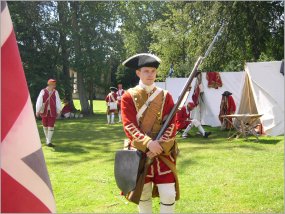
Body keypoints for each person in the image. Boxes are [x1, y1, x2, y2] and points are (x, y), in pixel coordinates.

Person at [121, 53, 179, 213]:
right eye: (146, 71)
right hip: (140, 153)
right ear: (138, 73)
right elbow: (129, 125)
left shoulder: (165, 96)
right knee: (143, 193)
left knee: (168, 194)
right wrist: (148, 144)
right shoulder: (128, 96)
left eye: (153, 71)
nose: (150, 74)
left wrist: (158, 145)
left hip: (162, 152)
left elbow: (172, 124)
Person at [36, 79, 62, 147]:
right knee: (45, 125)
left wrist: (59, 110)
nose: (55, 86)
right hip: (44, 112)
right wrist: (37, 110)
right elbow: (39, 101)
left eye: (55, 84)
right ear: (50, 84)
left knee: (51, 125)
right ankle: (47, 139)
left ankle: (49, 141)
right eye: (54, 84)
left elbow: (58, 101)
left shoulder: (55, 92)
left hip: (52, 112)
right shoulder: (43, 91)